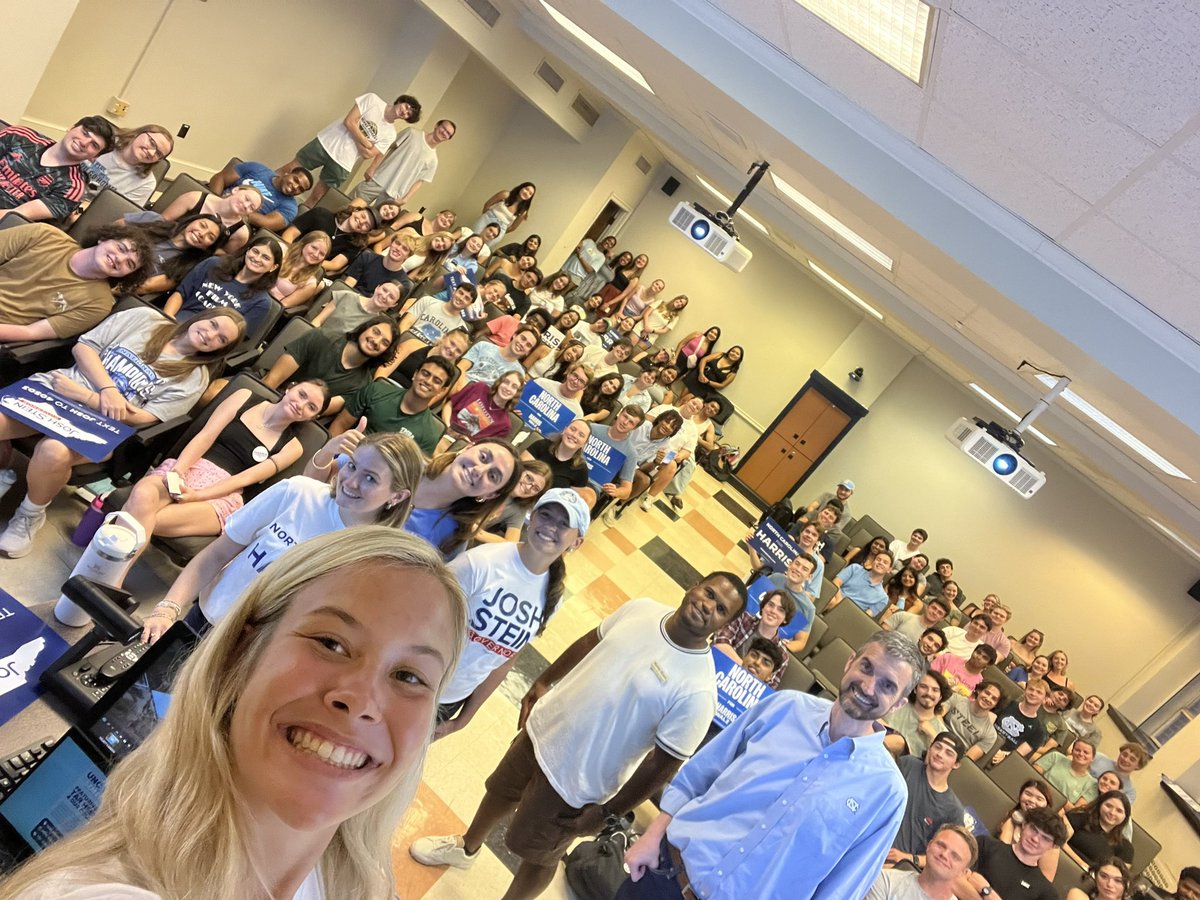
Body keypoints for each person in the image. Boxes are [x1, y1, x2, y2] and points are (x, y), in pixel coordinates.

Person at [0, 526, 466, 900]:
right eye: (331, 643)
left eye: (409, 676)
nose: (362, 702)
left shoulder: (353, 879)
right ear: (243, 649)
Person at [411, 572, 746, 900]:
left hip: (578, 780)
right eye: (710, 594)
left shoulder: (699, 691)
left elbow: (661, 767)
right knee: (500, 791)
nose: (708, 606)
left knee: (539, 855)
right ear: (695, 586)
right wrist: (544, 680)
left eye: (720, 610)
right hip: (545, 729)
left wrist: (606, 813)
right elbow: (590, 642)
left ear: (724, 626)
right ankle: (466, 848)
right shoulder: (642, 610)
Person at [618, 630, 927, 899]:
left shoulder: (887, 793)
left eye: (888, 686)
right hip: (666, 871)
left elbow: (841, 889)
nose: (869, 686)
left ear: (899, 703)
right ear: (849, 662)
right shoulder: (786, 706)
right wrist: (653, 834)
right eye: (866, 667)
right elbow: (701, 773)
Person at [0, 307, 245, 557]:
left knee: (53, 451)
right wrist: (108, 389)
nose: (210, 336)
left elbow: (146, 417)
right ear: (202, 317)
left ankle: (29, 515)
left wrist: (88, 397)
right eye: (213, 325)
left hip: (100, 423)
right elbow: (84, 347)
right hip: (58, 391)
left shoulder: (194, 377)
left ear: (220, 350)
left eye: (221, 340)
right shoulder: (144, 318)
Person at [146, 433, 422, 642]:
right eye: (351, 466)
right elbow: (218, 553)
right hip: (206, 620)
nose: (350, 482)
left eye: (370, 478)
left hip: (255, 656)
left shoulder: (374, 560)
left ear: (397, 496)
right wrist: (167, 608)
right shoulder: (296, 492)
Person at [97, 380, 331, 586]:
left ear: (313, 417)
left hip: (222, 494)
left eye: (311, 407)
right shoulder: (245, 397)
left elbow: (246, 479)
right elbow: (206, 435)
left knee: (142, 517)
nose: (301, 405)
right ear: (291, 387)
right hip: (190, 465)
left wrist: (199, 495)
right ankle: (110, 580)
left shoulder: (293, 447)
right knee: (141, 497)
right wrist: (179, 471)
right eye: (302, 394)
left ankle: (106, 574)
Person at [435, 488, 589, 739]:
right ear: (532, 517)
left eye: (563, 524)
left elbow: (503, 660)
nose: (551, 526)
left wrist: (463, 719)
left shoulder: (553, 595)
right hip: (415, 680)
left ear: (576, 542)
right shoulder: (481, 562)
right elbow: (419, 617)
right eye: (546, 515)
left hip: (451, 699)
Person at [0, 222, 151, 341]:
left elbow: (31, 332)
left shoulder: (99, 304)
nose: (120, 258)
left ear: (127, 275)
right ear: (103, 239)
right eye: (121, 248)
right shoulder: (43, 234)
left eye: (129, 264)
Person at [281, 92, 420, 205]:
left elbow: (368, 154)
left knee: (316, 198)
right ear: (401, 101)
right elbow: (348, 121)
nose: (405, 112)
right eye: (407, 107)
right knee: (288, 170)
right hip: (326, 143)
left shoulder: (390, 134)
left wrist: (355, 129)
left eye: (408, 114)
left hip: (344, 163)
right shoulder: (373, 100)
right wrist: (367, 143)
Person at [399, 439, 521, 559]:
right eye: (483, 457)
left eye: (492, 476)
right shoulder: (403, 463)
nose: (478, 471)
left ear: (490, 495)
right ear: (467, 448)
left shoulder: (454, 538)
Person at [260, 316, 398, 415]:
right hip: (272, 394)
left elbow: (317, 412)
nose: (376, 341)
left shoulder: (363, 384)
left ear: (385, 351)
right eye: (375, 332)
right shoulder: (321, 337)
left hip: (298, 415)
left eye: (385, 343)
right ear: (365, 328)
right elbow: (272, 379)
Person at [334, 355, 456, 455]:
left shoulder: (430, 433)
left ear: (442, 390)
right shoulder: (377, 390)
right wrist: (328, 455)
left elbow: (409, 472)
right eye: (425, 373)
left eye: (437, 381)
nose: (428, 381)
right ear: (415, 374)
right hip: (345, 452)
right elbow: (341, 424)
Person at [163, 235, 281, 337]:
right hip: (174, 323)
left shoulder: (262, 302)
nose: (257, 258)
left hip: (205, 340)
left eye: (265, 258)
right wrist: (166, 319)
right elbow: (181, 293)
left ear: (273, 267)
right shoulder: (214, 264)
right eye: (255, 251)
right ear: (247, 251)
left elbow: (234, 338)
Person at [0, 117, 114, 222]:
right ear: (71, 127)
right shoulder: (20, 136)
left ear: (94, 157)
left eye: (94, 145)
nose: (84, 143)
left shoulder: (73, 188)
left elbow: (14, 216)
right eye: (84, 133)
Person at [887, 732, 968, 862]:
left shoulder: (953, 809)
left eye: (949, 753)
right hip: (870, 835)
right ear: (930, 748)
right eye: (938, 747)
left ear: (956, 764)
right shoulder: (908, 763)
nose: (940, 754)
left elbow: (946, 855)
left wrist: (908, 859)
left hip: (897, 863)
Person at [957, 806, 1065, 900]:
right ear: (1024, 825)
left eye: (1045, 838)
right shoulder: (985, 845)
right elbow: (953, 879)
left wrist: (986, 890)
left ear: (1054, 846)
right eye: (1033, 829)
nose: (1035, 839)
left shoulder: (1046, 893)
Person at [353, 119, 456, 206]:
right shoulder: (411, 133)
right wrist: (373, 167)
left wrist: (405, 199)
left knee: (372, 225)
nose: (444, 133)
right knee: (349, 205)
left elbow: (419, 182)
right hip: (377, 179)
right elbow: (387, 146)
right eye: (444, 128)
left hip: (394, 196)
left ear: (448, 139)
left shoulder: (433, 160)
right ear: (437, 126)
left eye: (448, 134)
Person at [119, 212, 226, 294]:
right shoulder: (153, 219)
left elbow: (145, 287)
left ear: (208, 247)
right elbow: (113, 230)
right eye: (202, 225)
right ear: (192, 221)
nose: (202, 234)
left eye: (210, 237)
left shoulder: (185, 268)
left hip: (117, 287)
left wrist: (113, 289)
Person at [868, 824, 978, 900]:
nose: (944, 854)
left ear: (963, 872)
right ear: (929, 846)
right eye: (941, 845)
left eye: (955, 856)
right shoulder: (886, 880)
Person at [713, 588, 795, 688]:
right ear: (763, 607)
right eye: (770, 605)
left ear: (785, 619)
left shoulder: (783, 656)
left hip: (741, 690)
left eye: (780, 610)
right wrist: (747, 670)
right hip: (715, 669)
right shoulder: (743, 618)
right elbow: (719, 643)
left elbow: (766, 689)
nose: (773, 611)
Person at [208, 158, 312, 231]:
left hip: (236, 224)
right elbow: (221, 178)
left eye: (300, 189)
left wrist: (234, 208)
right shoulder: (257, 169)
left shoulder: (290, 207)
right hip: (214, 202)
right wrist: (216, 202)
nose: (295, 187)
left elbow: (267, 223)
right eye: (295, 180)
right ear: (287, 173)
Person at [84, 123, 173, 206]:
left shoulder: (147, 183)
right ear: (139, 133)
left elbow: (114, 212)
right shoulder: (104, 141)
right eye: (152, 143)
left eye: (158, 154)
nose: (151, 153)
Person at [159, 184, 262, 256]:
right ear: (236, 190)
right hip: (166, 239)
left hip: (190, 259)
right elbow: (163, 220)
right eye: (246, 199)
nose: (245, 205)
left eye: (251, 207)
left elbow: (222, 255)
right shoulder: (195, 198)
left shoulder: (241, 233)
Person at [281, 204, 379, 276]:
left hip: (312, 269)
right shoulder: (320, 213)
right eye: (363, 216)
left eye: (366, 225)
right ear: (355, 211)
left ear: (365, 232)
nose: (361, 222)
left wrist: (308, 261)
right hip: (290, 253)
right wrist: (292, 254)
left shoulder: (355, 245)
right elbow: (290, 233)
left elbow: (335, 264)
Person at [440, 369, 523, 450]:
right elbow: (449, 405)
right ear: (499, 382)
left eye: (514, 387)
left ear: (517, 393)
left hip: (461, 448)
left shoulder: (504, 425)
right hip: (444, 428)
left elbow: (484, 448)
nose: (508, 388)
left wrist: (463, 442)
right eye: (506, 382)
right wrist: (447, 426)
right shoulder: (479, 387)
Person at [476, 460, 552, 544]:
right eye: (529, 478)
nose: (528, 487)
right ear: (521, 470)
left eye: (536, 488)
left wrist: (476, 532)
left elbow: (511, 543)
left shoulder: (519, 509)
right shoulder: (497, 478)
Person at [884, 670, 951, 758]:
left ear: (940, 697)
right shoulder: (898, 703)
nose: (929, 693)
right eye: (924, 687)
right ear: (915, 689)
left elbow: (938, 763)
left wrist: (933, 736)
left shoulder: (942, 732)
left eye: (935, 690)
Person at [1063, 791, 1135, 868]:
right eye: (1108, 806)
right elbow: (1059, 841)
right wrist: (1082, 865)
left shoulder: (1126, 847)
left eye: (1119, 811)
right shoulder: (1080, 817)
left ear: (1125, 817)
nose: (1112, 812)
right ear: (1100, 804)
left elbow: (1117, 876)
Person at [990, 677, 1049, 765]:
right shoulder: (1007, 703)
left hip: (1002, 759)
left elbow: (1018, 754)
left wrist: (1004, 755)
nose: (1033, 693)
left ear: (1045, 699)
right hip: (986, 740)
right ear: (1025, 690)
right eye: (1031, 689)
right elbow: (988, 722)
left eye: (1039, 692)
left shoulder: (1039, 731)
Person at [521, 419, 592, 492]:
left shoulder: (581, 470)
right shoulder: (541, 445)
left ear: (584, 444)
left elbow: (570, 499)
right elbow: (520, 471)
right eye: (573, 429)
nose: (574, 435)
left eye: (581, 435)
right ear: (564, 430)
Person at [341, 231, 415, 299]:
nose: (398, 248)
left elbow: (385, 309)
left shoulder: (403, 284)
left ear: (408, 256)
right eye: (397, 243)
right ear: (391, 243)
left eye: (404, 249)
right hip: (350, 298)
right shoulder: (367, 257)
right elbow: (348, 285)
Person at [943, 679, 1002, 761]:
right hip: (936, 736)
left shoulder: (990, 734)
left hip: (952, 757)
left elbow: (967, 760)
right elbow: (936, 717)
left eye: (994, 699)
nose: (988, 699)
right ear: (979, 691)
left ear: (996, 705)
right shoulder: (957, 699)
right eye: (987, 693)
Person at [269, 231, 331, 310]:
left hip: (268, 306)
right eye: (314, 248)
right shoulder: (281, 250)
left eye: (322, 254)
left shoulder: (310, 283)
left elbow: (283, 305)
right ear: (304, 243)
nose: (316, 254)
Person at [828, 549, 895, 616]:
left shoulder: (883, 598)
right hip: (836, 599)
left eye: (885, 562)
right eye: (878, 559)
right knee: (831, 600)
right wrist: (840, 602)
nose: (880, 563)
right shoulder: (855, 568)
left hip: (850, 616)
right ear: (872, 562)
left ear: (889, 569)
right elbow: (836, 582)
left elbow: (865, 617)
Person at [1037, 740, 1102, 808]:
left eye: (1086, 752)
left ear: (1092, 758)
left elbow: (1075, 810)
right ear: (1072, 751)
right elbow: (1032, 773)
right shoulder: (1055, 757)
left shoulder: (1092, 785)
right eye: (1077, 750)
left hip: (1057, 810)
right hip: (1036, 794)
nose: (1081, 754)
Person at [471, 182, 536, 245]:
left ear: (530, 198)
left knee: (483, 248)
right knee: (471, 239)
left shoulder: (523, 211)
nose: (527, 193)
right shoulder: (505, 194)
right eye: (526, 189)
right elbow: (487, 204)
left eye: (530, 193)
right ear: (521, 187)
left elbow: (513, 227)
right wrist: (486, 216)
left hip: (500, 229)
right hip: (487, 219)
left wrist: (502, 230)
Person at [678, 344, 742, 403]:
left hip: (705, 388)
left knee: (686, 401)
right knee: (681, 399)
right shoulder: (720, 354)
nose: (734, 354)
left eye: (737, 354)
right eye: (733, 351)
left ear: (739, 358)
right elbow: (704, 360)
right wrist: (701, 373)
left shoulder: (733, 372)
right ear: (729, 351)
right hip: (696, 377)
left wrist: (708, 382)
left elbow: (722, 385)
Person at [932, 641, 998, 695]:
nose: (979, 657)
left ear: (988, 665)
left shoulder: (979, 684)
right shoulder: (949, 658)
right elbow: (929, 674)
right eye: (978, 652)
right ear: (973, 652)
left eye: (984, 658)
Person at [885, 596, 951, 644]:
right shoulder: (903, 616)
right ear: (927, 607)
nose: (935, 612)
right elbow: (881, 633)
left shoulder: (933, 641)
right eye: (934, 608)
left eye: (940, 613)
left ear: (942, 619)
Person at [1066, 857, 1132, 900]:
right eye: (1104, 877)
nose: (1109, 884)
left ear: (1126, 885)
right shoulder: (1078, 896)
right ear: (1096, 877)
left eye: (1117, 880)